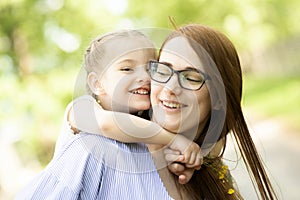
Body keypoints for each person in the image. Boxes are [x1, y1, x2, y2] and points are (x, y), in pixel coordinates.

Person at [68, 24, 279, 199]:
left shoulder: (209, 170)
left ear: (218, 99)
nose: (169, 88)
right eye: (163, 69)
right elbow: (92, 119)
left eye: (191, 77)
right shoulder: (101, 148)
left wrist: (197, 152)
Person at [15, 30, 202, 199]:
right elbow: (108, 124)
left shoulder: (147, 130)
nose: (144, 77)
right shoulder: (82, 108)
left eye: (150, 68)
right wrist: (173, 140)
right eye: (127, 69)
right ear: (97, 84)